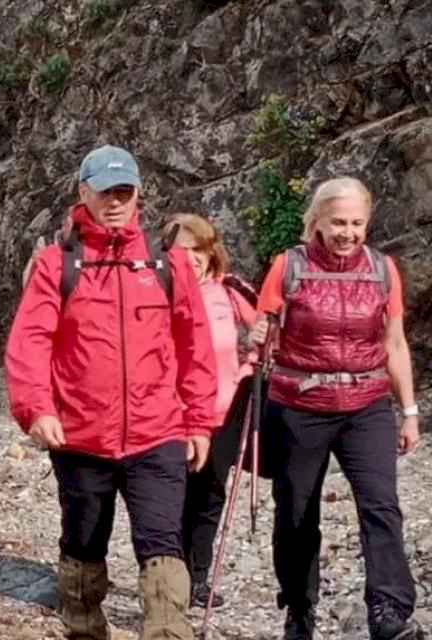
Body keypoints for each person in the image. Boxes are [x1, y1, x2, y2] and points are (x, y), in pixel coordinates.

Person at [6, 145, 220, 640]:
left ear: (138, 194)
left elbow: (195, 347)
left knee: (163, 545)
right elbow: (30, 343)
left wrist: (198, 422)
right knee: (83, 546)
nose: (116, 201)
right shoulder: (55, 265)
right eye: (106, 191)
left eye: (124, 191)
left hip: (157, 432)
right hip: (80, 436)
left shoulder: (170, 265)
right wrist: (36, 408)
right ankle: (84, 626)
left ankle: (169, 632)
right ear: (84, 193)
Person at [249, 177, 422, 640]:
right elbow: (262, 327)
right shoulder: (288, 266)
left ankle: (388, 612)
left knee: (381, 505)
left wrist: (408, 412)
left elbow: (396, 344)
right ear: (318, 222)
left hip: (366, 405)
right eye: (339, 222)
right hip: (299, 404)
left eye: (357, 223)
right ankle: (299, 610)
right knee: (296, 512)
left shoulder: (383, 269)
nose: (348, 232)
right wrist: (254, 341)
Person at [164, 214, 259, 610]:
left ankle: (197, 578)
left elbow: (269, 335)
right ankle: (168, 578)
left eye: (199, 249)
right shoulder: (156, 294)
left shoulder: (232, 293)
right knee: (171, 495)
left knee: (211, 493)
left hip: (225, 409)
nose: (193, 258)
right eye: (183, 251)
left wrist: (254, 353)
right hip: (172, 411)